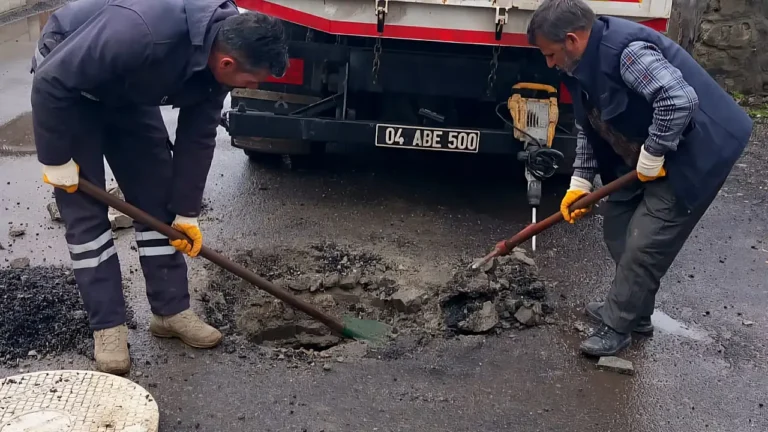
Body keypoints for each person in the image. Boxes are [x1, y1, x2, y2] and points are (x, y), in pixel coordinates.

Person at [30, 0, 288, 374]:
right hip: (70, 83)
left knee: (156, 199)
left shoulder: (221, 52)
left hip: (128, 89)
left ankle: (170, 311)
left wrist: (186, 211)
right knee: (86, 213)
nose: (254, 86)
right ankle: (108, 328)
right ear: (227, 63)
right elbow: (51, 80)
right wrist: (55, 159)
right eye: (253, 80)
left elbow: (198, 136)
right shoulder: (143, 33)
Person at [526, 0, 753, 356]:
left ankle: (617, 327)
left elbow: (678, 100)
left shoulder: (626, 53)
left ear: (571, 40)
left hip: (696, 152)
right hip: (642, 155)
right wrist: (580, 182)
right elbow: (591, 124)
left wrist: (654, 150)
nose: (549, 63)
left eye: (550, 54)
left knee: (644, 242)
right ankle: (636, 311)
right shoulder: (578, 66)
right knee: (618, 226)